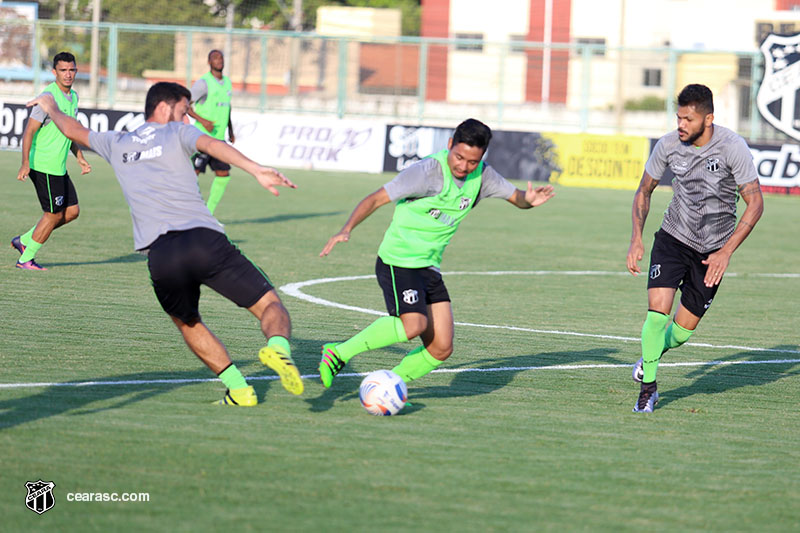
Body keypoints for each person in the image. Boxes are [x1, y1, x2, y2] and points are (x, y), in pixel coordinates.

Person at [27, 82, 303, 406]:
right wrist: (255, 169)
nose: (187, 120)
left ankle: (240, 391)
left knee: (188, 323)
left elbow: (72, 129)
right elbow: (213, 144)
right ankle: (278, 349)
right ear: (164, 107)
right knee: (270, 305)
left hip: (161, 256)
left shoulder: (118, 142)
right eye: (185, 111)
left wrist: (50, 105)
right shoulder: (175, 133)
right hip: (203, 241)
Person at [318, 118, 555, 390]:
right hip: (399, 260)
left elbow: (517, 198)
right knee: (413, 325)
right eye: (459, 157)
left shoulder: (483, 177)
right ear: (450, 144)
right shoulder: (425, 173)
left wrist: (530, 201)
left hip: (429, 267)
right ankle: (338, 352)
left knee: (441, 348)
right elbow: (375, 198)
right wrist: (346, 229)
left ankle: (388, 386)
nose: (464, 166)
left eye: (472, 161)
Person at [626, 84, 764, 413]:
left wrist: (726, 251)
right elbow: (644, 190)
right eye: (679, 117)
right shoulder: (669, 145)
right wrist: (637, 237)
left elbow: (755, 203)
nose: (681, 125)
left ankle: (650, 357)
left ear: (709, 119)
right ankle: (649, 389)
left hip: (713, 251)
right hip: (673, 238)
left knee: (682, 333)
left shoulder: (732, 147)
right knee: (656, 314)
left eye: (688, 119)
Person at [12, 51, 92, 271]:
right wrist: (25, 163)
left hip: (59, 166)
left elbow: (69, 130)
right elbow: (28, 132)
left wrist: (80, 157)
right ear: (54, 72)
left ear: (76, 70)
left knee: (72, 211)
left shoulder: (73, 97)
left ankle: (26, 239)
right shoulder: (48, 98)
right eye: (63, 70)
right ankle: (25, 259)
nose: (68, 74)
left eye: (71, 70)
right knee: (53, 214)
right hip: (43, 166)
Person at [188, 49, 235, 215]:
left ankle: (208, 214)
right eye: (215, 58)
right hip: (201, 137)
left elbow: (227, 107)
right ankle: (187, 211)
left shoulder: (227, 83)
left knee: (223, 174)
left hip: (219, 139)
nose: (219, 60)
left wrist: (230, 129)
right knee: (191, 174)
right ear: (209, 62)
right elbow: (186, 104)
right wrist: (203, 121)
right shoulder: (203, 83)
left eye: (221, 57)